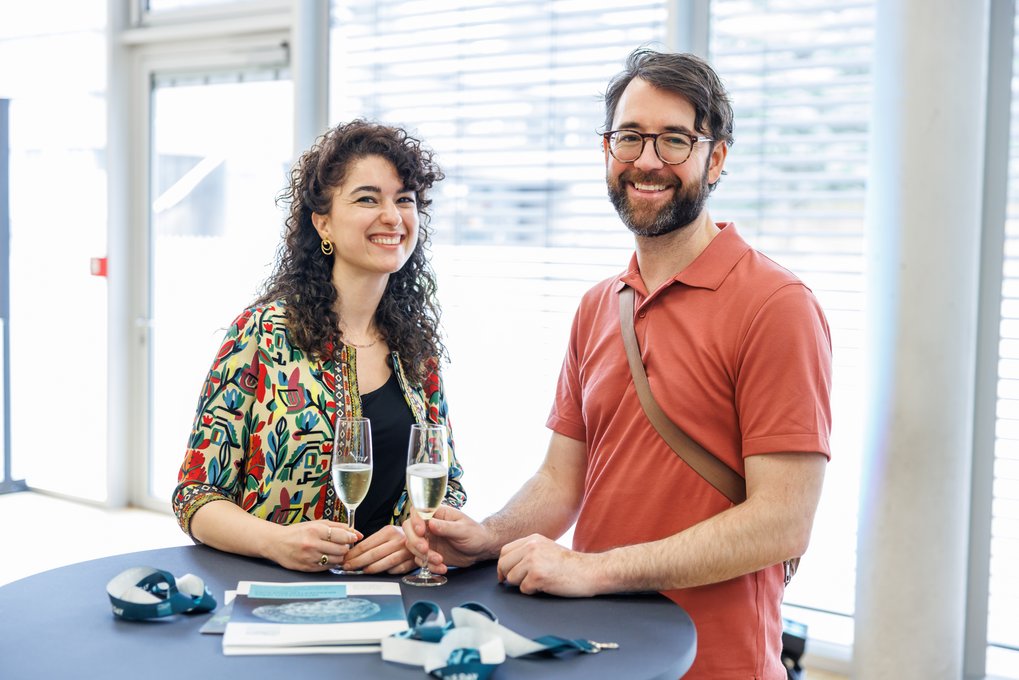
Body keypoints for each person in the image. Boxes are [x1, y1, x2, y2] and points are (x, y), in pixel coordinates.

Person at [404, 48, 831, 679]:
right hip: (601, 653)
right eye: (630, 137)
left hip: (718, 662)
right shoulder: (597, 306)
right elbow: (562, 483)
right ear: (608, 151)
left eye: (674, 140)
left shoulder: (776, 306)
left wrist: (593, 568)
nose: (648, 161)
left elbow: (782, 523)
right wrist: (487, 536)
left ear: (716, 158)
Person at [173, 120, 465, 575]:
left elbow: (449, 486)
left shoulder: (416, 350)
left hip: (389, 599)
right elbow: (195, 496)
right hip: (272, 594)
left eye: (404, 199)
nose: (392, 216)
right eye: (368, 198)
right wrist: (276, 543)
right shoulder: (261, 334)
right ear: (322, 221)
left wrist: (416, 537)